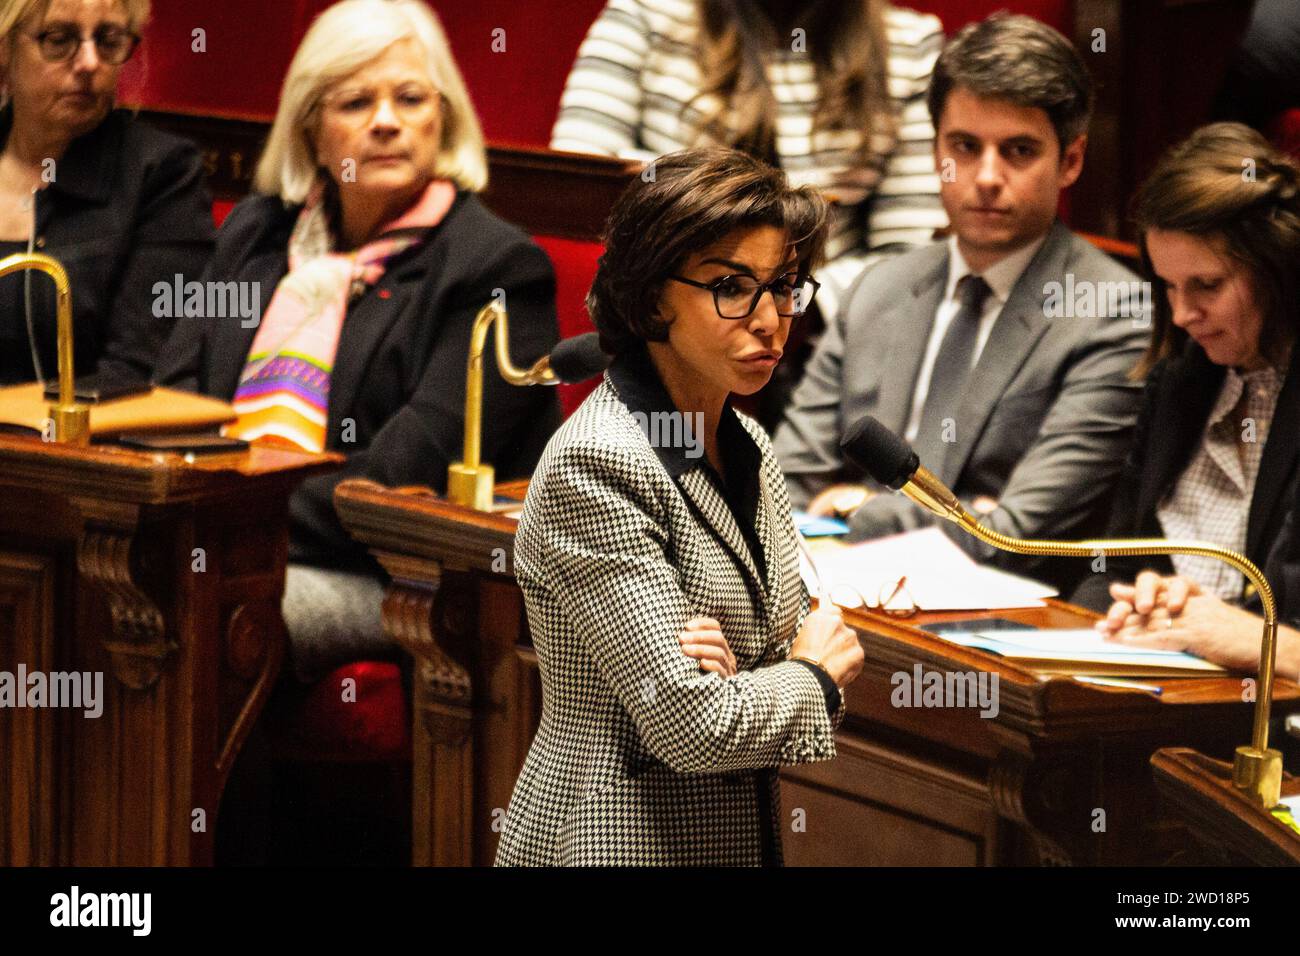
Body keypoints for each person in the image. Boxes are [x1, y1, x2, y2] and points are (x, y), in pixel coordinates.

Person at [156, 0, 561, 678]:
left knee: (204, 613)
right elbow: (171, 403)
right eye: (354, 102)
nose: (385, 122)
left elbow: (395, 483)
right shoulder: (258, 235)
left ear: (445, 118)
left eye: (409, 98)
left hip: (395, 581)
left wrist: (220, 527)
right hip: (227, 547)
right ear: (310, 129)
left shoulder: (494, 270)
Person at [495, 148, 864, 867]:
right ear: (651, 296)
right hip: (610, 840)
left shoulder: (750, 443)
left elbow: (801, 634)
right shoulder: (597, 462)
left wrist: (756, 675)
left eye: (783, 286)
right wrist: (809, 678)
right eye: (731, 286)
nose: (769, 321)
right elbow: (691, 722)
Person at [771, 12, 1148, 592]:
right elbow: (787, 486)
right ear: (935, 149)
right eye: (964, 147)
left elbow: (1017, 534)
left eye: (1019, 150)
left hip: (1011, 626)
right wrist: (970, 509)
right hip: (839, 600)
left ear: (1070, 160)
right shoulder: (878, 288)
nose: (986, 176)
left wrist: (855, 508)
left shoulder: (1113, 311)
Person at [550, 0, 948, 317]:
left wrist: (791, 306)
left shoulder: (909, 45)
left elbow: (907, 254)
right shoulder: (647, 12)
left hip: (818, 332)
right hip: (662, 308)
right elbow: (571, 194)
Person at [1078, 123, 1300, 685]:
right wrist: (1141, 595)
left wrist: (1256, 638)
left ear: (1275, 267)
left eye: (1205, 285)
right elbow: (1118, 562)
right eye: (1168, 287)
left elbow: (1259, 617)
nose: (1180, 315)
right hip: (1169, 690)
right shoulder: (1180, 383)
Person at [0, 0, 214, 387]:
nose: (89, 63)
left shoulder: (162, 174)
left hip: (79, 442)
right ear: (4, 46)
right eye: (59, 39)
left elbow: (135, 375)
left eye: (108, 40)